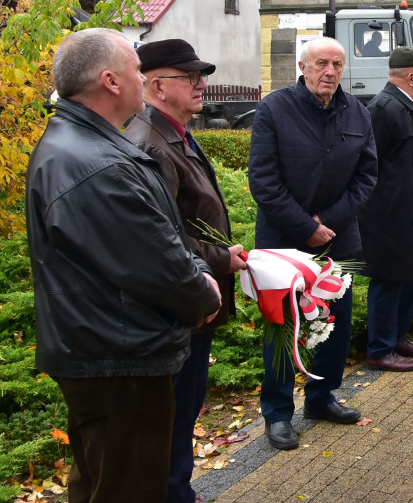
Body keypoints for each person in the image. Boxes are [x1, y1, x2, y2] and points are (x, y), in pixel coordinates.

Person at [26, 28, 222, 503]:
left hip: (109, 350)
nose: (143, 78)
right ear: (111, 81)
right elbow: (153, 259)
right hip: (118, 357)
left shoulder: (85, 145)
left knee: (103, 481)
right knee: (128, 486)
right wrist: (202, 293)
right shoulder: (95, 163)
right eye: (137, 70)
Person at [124, 39, 245, 503]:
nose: (202, 85)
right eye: (190, 77)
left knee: (181, 412)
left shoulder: (172, 132)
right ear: (157, 85)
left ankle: (179, 490)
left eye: (201, 75)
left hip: (191, 297)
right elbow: (159, 237)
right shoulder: (149, 143)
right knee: (171, 416)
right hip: (177, 308)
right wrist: (218, 259)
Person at [249, 36, 378, 450]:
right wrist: (305, 227)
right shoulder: (274, 109)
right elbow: (263, 182)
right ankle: (278, 412)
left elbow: (366, 177)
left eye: (338, 65)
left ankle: (321, 398)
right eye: (321, 63)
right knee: (283, 328)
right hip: (283, 241)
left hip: (339, 239)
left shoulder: (357, 112)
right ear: (303, 67)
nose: (331, 72)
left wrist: (327, 222)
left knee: (335, 326)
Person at [360, 47, 413, 372]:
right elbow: (368, 165)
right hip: (390, 214)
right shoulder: (383, 108)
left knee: (409, 274)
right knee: (390, 278)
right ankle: (379, 349)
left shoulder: (406, 107)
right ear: (411, 76)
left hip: (412, 209)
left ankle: (397, 338)